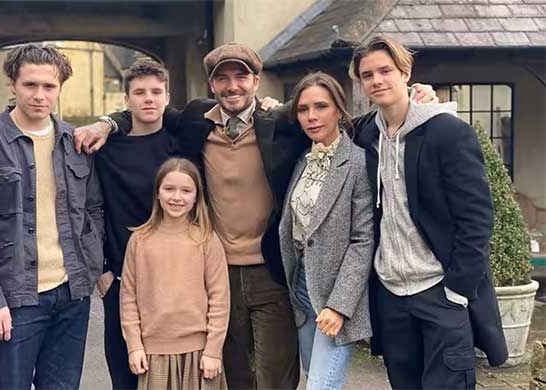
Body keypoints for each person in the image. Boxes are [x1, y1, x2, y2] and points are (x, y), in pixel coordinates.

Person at [76, 42, 437, 389]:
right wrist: (105, 124)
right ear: (212, 84)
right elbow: (144, 108)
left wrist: (406, 99)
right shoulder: (194, 121)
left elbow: (337, 119)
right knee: (231, 374)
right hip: (216, 271)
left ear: (255, 80)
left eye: (241, 77)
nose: (232, 86)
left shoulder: (281, 122)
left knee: (275, 374)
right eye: (223, 78)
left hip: (272, 270)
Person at [349, 35, 508, 389]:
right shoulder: (364, 136)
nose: (377, 80)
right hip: (391, 295)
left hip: (439, 290)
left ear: (405, 72)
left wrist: (458, 289)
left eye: (385, 70)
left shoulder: (447, 132)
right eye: (367, 74)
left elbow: (477, 217)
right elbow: (318, 120)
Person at [0, 43, 105, 389]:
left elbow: (93, 210)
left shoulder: (74, 142)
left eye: (49, 86)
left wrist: (94, 266)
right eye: (30, 85)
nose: (39, 95)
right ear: (12, 84)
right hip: (14, 300)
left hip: (71, 296)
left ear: (59, 87)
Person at [279, 72, 374, 389]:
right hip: (302, 288)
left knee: (321, 385)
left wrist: (340, 305)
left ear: (339, 109)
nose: (311, 116)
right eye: (303, 109)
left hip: (336, 295)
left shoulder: (359, 163)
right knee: (315, 379)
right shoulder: (302, 161)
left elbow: (363, 241)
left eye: (321, 106)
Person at [94, 60, 179, 390]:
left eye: (156, 92)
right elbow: (89, 209)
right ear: (126, 99)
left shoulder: (181, 145)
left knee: (169, 375)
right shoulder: (106, 149)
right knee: (125, 376)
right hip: (119, 278)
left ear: (167, 97)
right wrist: (99, 271)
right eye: (139, 92)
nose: (149, 99)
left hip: (173, 278)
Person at [120, 157, 230, 390]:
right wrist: (134, 345)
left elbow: (220, 300)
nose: (177, 197)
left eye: (186, 190)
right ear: (157, 193)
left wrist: (213, 351)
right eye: (169, 189)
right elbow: (128, 298)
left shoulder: (206, 240)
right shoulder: (140, 241)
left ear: (196, 197)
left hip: (199, 355)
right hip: (154, 355)